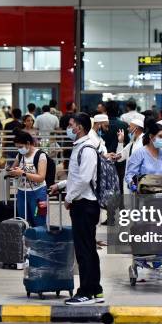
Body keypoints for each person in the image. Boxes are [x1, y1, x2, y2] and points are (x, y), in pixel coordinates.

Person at [50, 113, 103, 305]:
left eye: (71, 125)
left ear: (79, 127)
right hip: (83, 203)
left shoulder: (87, 149)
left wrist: (69, 198)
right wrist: (62, 185)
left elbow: (84, 179)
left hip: (84, 205)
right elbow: (76, 176)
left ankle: (86, 292)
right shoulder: (81, 147)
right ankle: (95, 290)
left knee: (84, 250)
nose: (69, 128)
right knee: (88, 249)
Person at [7, 131, 48, 227]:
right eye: (17, 147)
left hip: (38, 192)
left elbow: (41, 177)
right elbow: (13, 170)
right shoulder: (20, 155)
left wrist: (23, 173)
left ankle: (39, 241)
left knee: (39, 221)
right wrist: (11, 171)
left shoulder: (40, 155)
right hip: (22, 192)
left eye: (21, 147)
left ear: (28, 143)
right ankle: (26, 241)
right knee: (23, 221)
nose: (19, 149)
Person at [125, 123, 162, 190]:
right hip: (145, 195)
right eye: (160, 136)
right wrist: (133, 185)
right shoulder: (139, 153)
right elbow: (130, 175)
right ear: (151, 136)